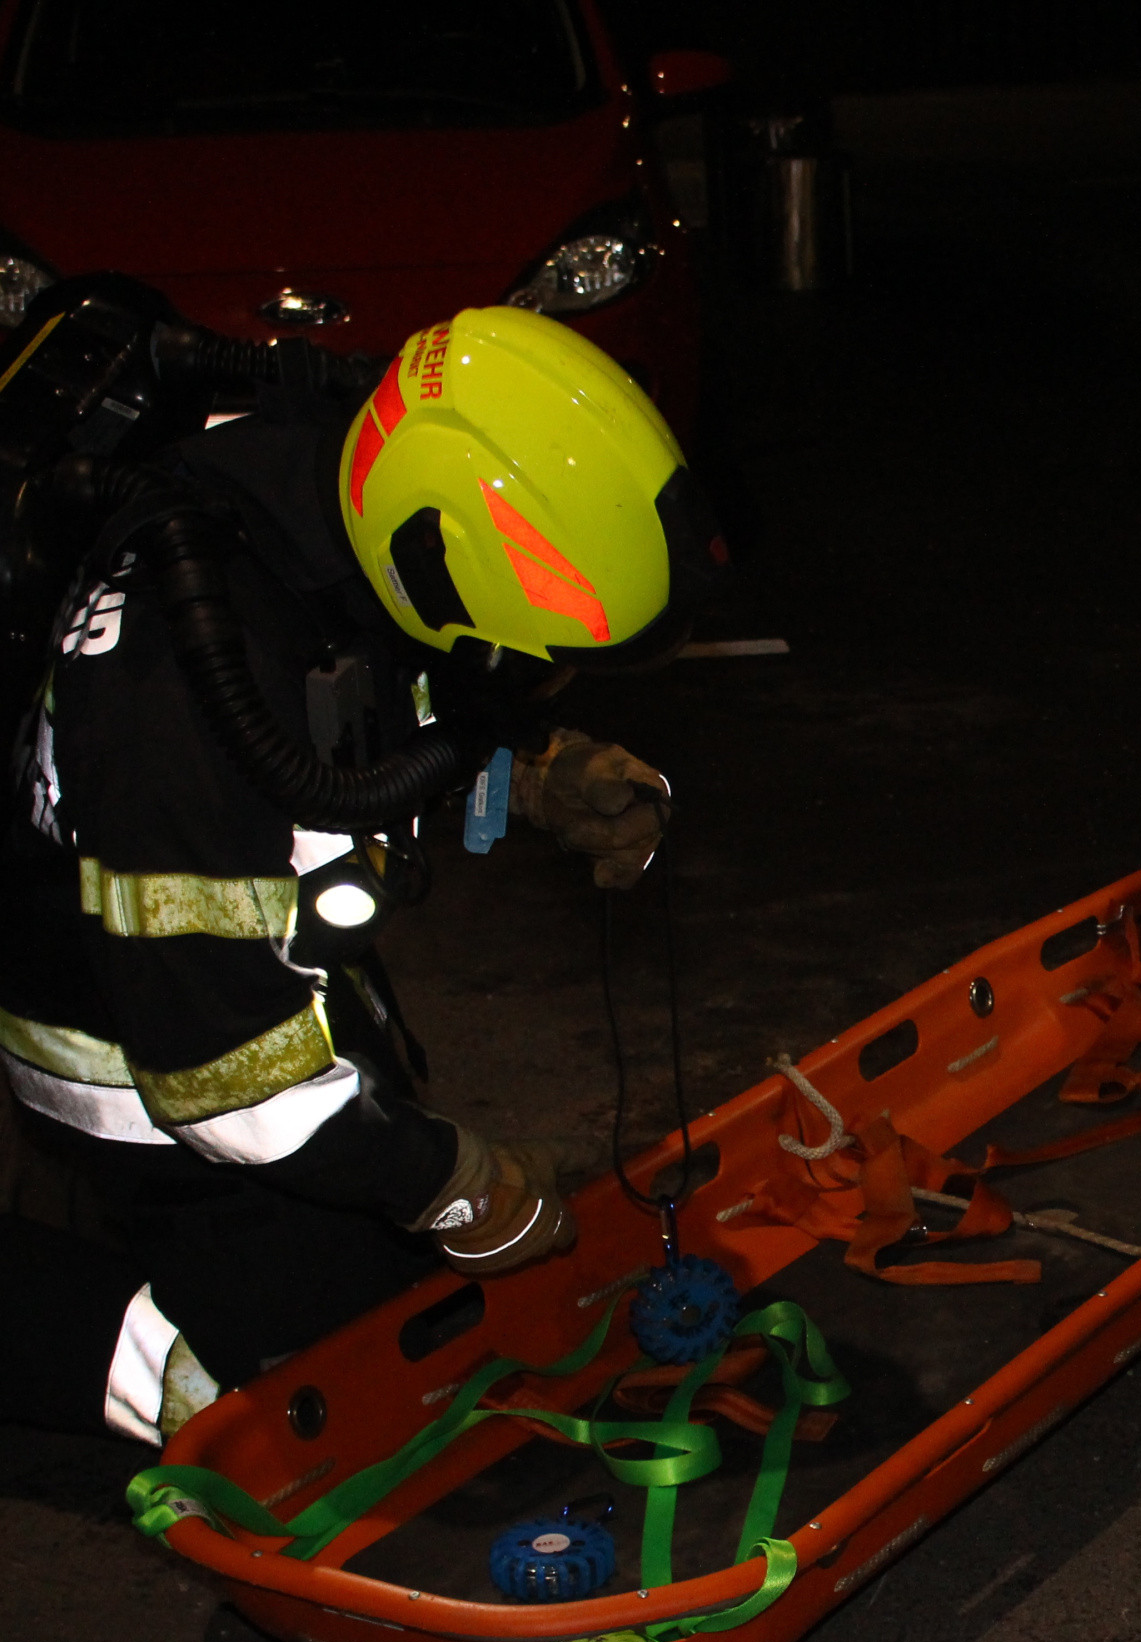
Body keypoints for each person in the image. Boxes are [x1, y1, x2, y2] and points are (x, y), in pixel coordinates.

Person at [0, 298, 726, 1442]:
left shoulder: (347, 486)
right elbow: (226, 1078)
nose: (538, 683)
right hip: (147, 1057)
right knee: (309, 1408)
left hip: (253, 971)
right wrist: (450, 1183)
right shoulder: (179, 701)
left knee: (394, 1296)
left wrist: (533, 771)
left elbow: (394, 690)